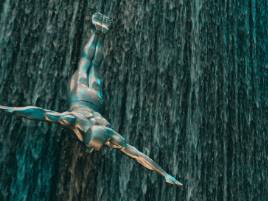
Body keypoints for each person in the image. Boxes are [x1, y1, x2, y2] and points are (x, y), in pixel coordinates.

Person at [0, 13, 181, 185]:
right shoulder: (77, 122)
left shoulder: (108, 134)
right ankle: (97, 32)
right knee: (87, 62)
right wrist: (164, 174)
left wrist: (165, 174)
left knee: (92, 65)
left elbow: (137, 154)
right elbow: (42, 113)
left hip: (95, 98)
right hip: (81, 96)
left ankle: (99, 33)